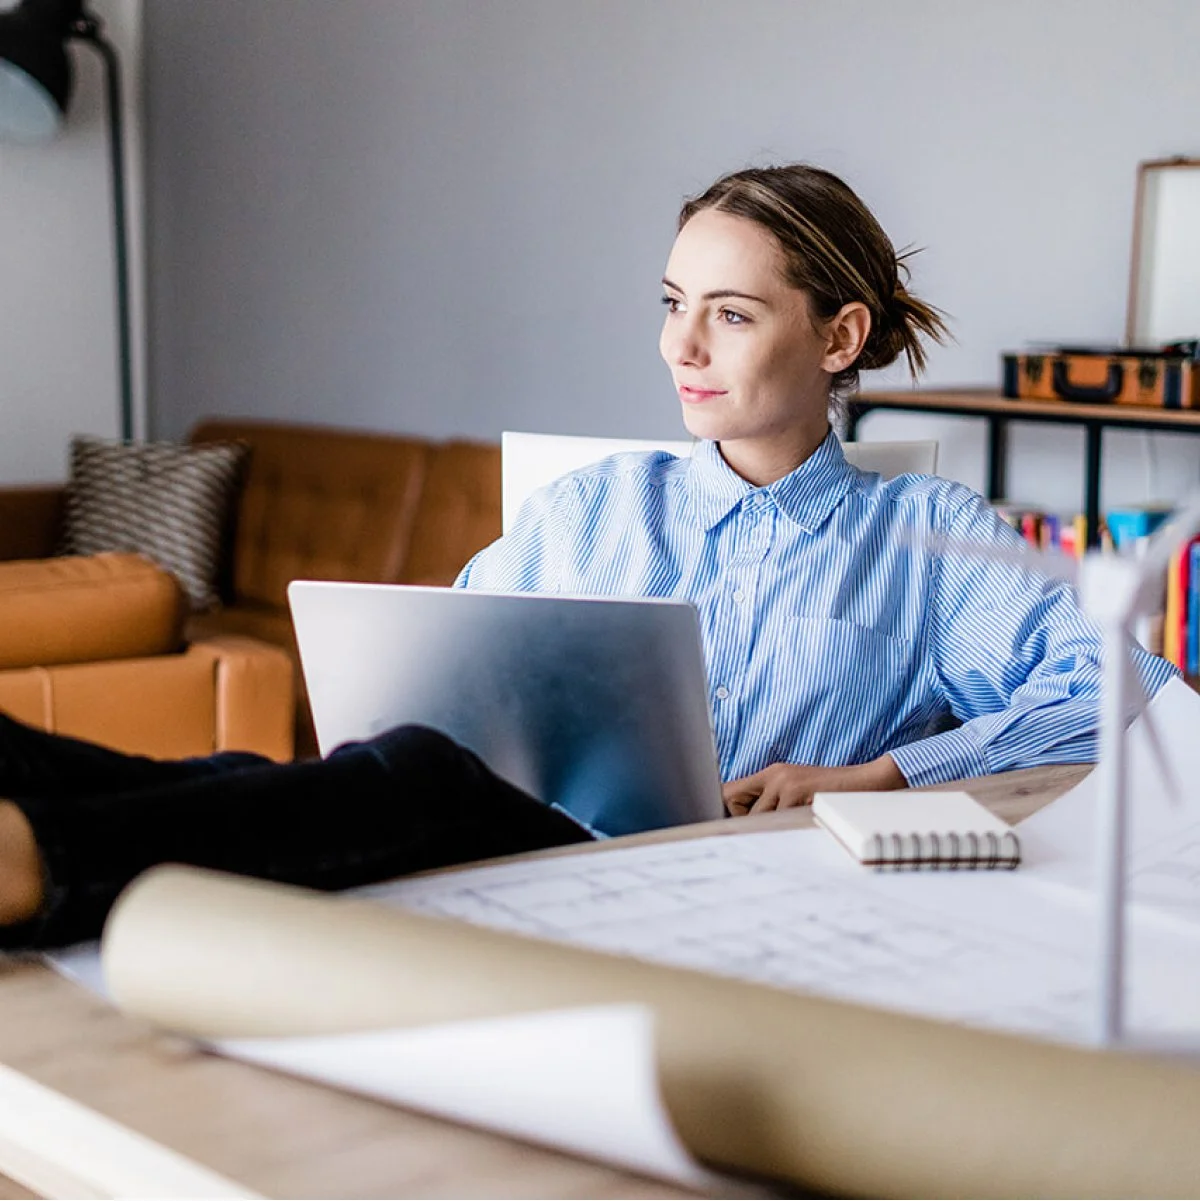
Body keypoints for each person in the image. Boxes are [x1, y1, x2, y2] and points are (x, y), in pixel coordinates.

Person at [0, 163, 1175, 949]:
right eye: (673, 302)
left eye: (731, 311)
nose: (682, 345)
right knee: (360, 772)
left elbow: (1133, 698)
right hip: (528, 863)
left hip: (707, 897)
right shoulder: (597, 505)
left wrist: (884, 776)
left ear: (839, 336)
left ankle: (38, 855)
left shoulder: (926, 541)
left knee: (414, 779)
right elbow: (432, 678)